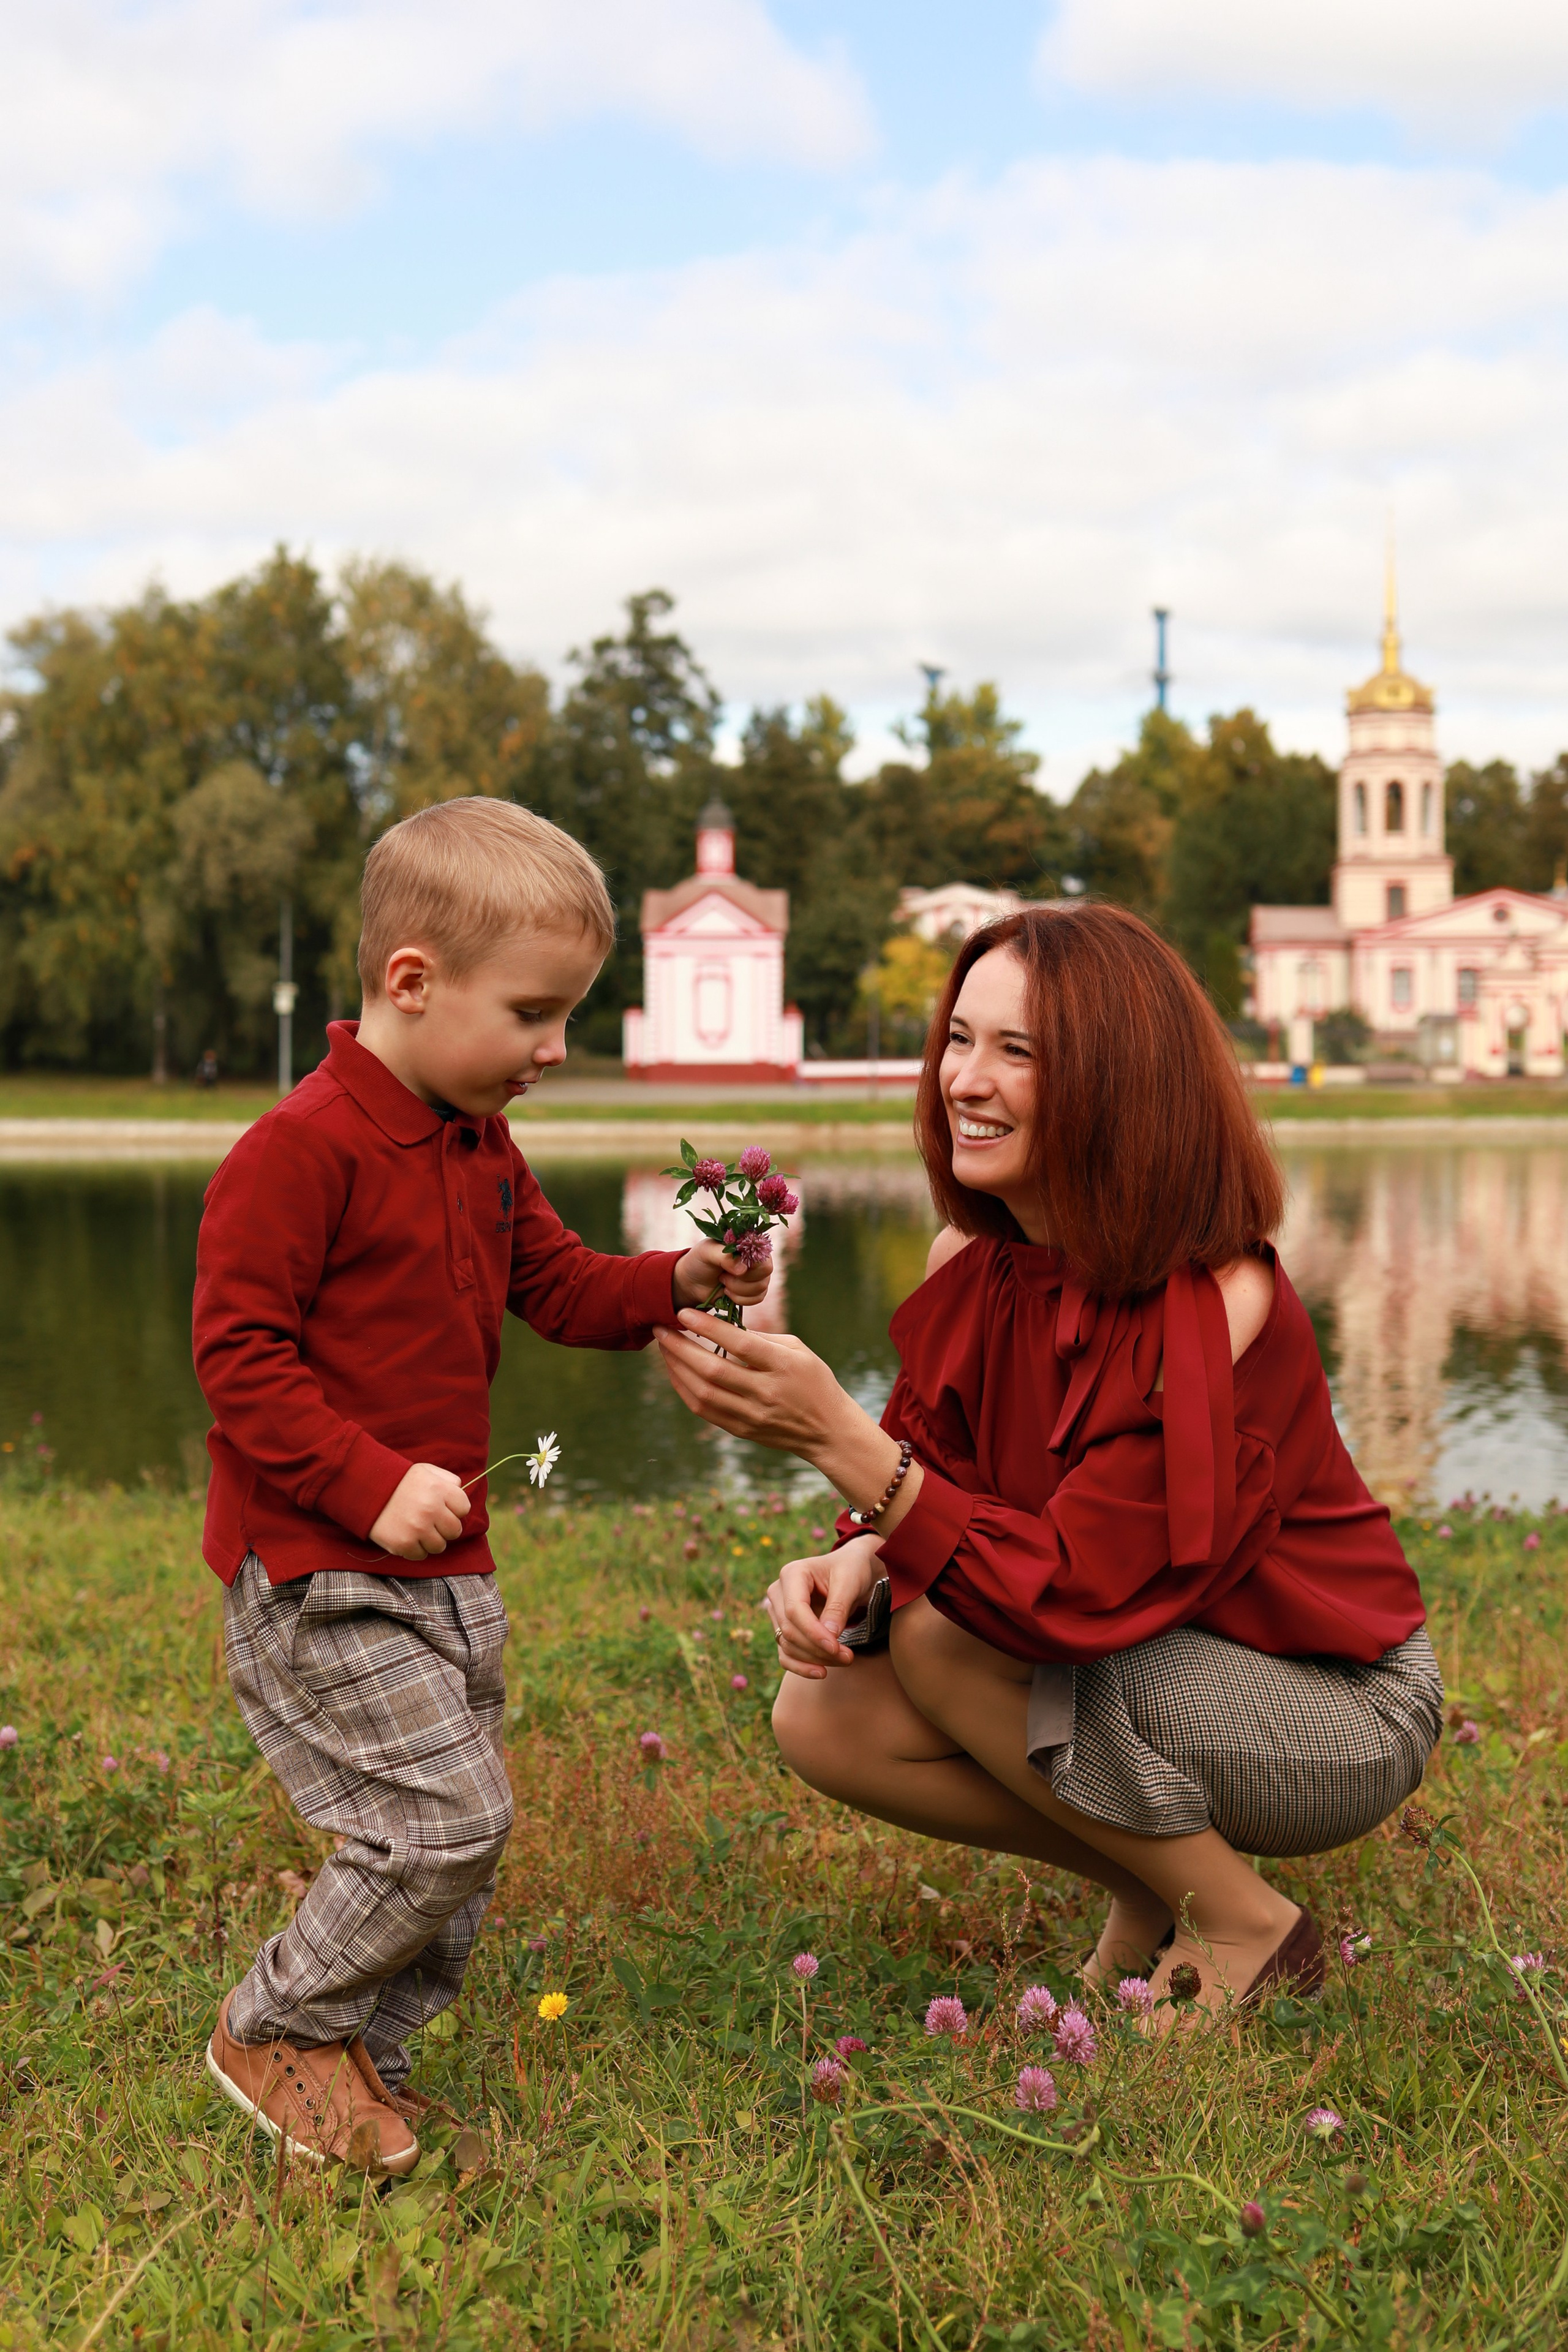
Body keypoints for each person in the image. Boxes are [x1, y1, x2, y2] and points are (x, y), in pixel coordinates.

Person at [657, 905, 1442, 2022]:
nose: (965, 1081)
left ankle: (1250, 1928)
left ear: (1119, 1083)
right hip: (1150, 1654)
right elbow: (946, 1479)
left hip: (1333, 1703)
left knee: (951, 1634)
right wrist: (862, 1559)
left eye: (1019, 1052)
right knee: (823, 1714)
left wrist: (838, 1438)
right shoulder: (971, 1263)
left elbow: (1071, 1586)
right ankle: (1149, 1881)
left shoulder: (1218, 1302)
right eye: (960, 1040)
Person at [195, 797, 769, 2171]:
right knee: (441, 1820)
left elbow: (559, 1287)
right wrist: (363, 1478)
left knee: (462, 1852)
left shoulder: (475, 1144)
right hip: (323, 1563)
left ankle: (359, 2070)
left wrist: (674, 1281)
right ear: (412, 982)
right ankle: (275, 2026)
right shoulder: (302, 1150)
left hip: (446, 1568)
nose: (554, 1049)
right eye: (531, 1014)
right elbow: (238, 1354)